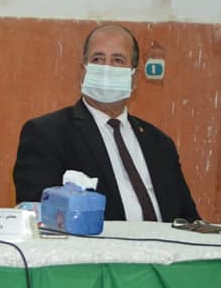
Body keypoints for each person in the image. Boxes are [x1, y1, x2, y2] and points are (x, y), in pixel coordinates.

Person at [13, 24, 198, 222]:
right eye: (97, 59)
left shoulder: (160, 144)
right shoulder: (47, 134)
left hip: (165, 241)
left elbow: (188, 219)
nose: (106, 69)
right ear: (83, 72)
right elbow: (41, 216)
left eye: (118, 60)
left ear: (134, 78)